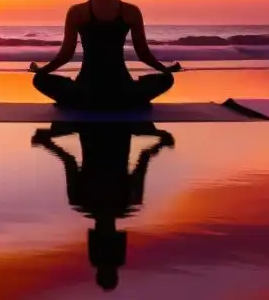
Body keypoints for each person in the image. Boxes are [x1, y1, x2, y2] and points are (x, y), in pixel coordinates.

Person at [30, 0, 180, 109]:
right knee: (167, 79)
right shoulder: (131, 12)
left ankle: (77, 101)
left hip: (85, 92)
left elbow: (65, 56)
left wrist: (41, 71)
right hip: (122, 91)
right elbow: (143, 54)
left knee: (39, 80)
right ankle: (129, 101)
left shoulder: (76, 12)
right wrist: (165, 70)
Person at [32, 122, 174, 291]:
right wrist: (47, 142)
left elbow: (144, 156)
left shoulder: (128, 201)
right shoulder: (82, 200)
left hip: (112, 129)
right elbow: (68, 160)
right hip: (100, 129)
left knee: (74, 126)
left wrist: (161, 140)